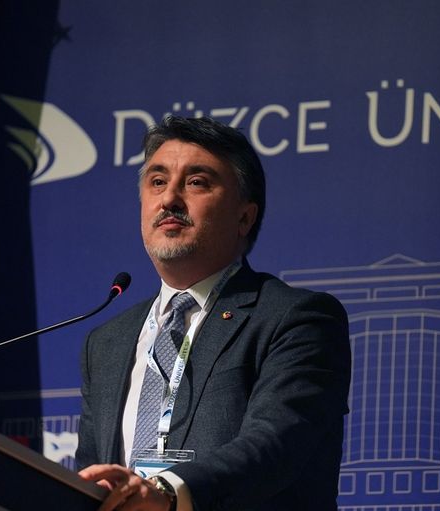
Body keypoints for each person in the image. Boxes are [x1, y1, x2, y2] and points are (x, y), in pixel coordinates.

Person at [76, 116, 351, 511]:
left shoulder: (297, 319)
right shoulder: (106, 343)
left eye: (196, 182)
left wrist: (168, 492)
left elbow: (275, 445)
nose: (169, 199)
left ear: (244, 217)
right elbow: (91, 475)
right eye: (157, 181)